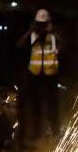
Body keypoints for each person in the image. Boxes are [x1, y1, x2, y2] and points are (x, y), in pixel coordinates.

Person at [17, 9, 61, 139]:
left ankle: (55, 131)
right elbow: (19, 45)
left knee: (52, 104)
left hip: (50, 74)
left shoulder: (54, 34)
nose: (42, 27)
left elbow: (63, 45)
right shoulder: (32, 34)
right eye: (39, 24)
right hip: (35, 74)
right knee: (35, 104)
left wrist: (52, 32)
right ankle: (36, 132)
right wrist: (31, 31)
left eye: (44, 24)